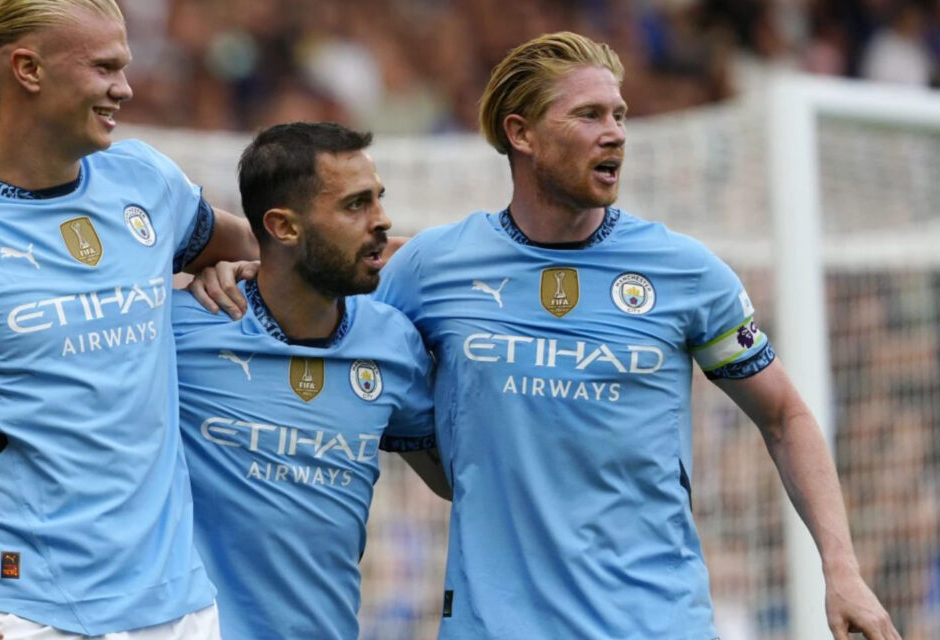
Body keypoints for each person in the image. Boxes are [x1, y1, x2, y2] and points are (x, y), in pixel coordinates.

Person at [194, 32, 899, 640]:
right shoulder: (434, 269)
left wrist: (844, 572)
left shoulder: (686, 272)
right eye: (589, 114)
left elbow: (786, 416)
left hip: (653, 622)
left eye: (619, 114)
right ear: (520, 133)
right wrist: (237, 268)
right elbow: (319, 286)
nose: (616, 131)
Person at [0, 2, 256, 639]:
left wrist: (239, 268)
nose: (125, 87)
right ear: (28, 69)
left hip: (179, 611)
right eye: (105, 67)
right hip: (19, 610)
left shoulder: (144, 180)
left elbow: (259, 250)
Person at [170, 122, 447, 639]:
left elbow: (457, 481)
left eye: (378, 200)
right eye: (355, 205)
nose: (382, 220)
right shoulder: (182, 328)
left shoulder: (394, 341)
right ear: (284, 227)